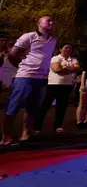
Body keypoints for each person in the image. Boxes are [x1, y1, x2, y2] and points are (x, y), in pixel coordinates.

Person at [2, 15, 56, 145]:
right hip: (25, 77)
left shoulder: (53, 40)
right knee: (13, 106)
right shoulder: (29, 36)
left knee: (32, 108)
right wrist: (22, 67)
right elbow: (13, 54)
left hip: (42, 78)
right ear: (39, 23)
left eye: (53, 21)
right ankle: (5, 137)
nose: (52, 22)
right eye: (48, 20)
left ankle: (25, 133)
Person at [35, 42, 80, 134]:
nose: (68, 50)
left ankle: (58, 126)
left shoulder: (73, 59)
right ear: (60, 49)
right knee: (46, 105)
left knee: (62, 106)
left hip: (67, 85)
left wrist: (65, 67)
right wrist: (69, 69)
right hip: (54, 84)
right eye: (66, 47)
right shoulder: (55, 58)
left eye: (70, 48)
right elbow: (57, 69)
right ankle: (37, 126)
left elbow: (77, 69)